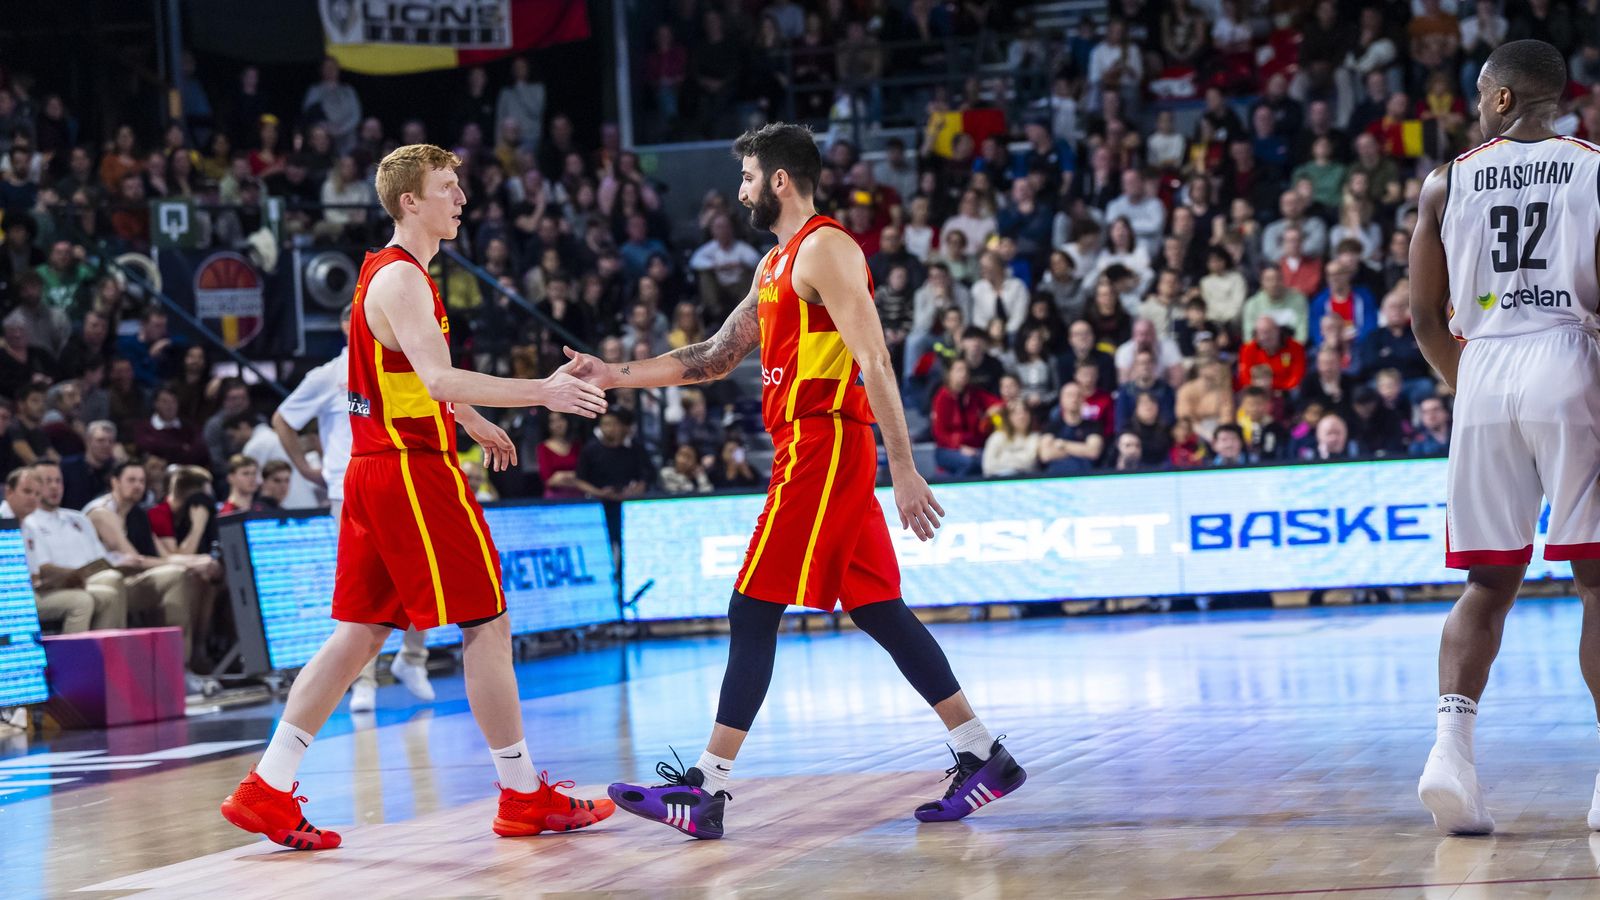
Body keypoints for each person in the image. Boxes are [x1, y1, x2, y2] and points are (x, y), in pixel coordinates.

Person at [561, 123, 1025, 839]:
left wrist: (904, 467)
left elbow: (875, 360)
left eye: (747, 177)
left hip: (823, 441)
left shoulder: (826, 248)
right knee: (878, 608)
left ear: (779, 180)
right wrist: (613, 374)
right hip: (810, 444)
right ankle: (982, 752)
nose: (740, 190)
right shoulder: (775, 263)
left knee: (752, 608)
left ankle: (707, 788)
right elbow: (715, 355)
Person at [221, 143, 613, 851]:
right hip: (410, 470)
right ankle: (522, 794)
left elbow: (409, 377)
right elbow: (435, 379)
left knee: (361, 632)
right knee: (486, 621)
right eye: (447, 187)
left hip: (374, 469)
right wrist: (543, 391)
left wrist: (470, 416)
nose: (461, 198)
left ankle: (266, 787)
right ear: (410, 201)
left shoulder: (389, 271)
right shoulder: (402, 278)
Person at [1408, 41, 1600, 836]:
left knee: (1487, 583)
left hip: (1481, 368)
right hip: (1570, 359)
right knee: (1597, 581)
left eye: (1479, 91)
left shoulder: (1445, 180)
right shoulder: (1593, 168)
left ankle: (1450, 753)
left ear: (1501, 98)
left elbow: (1424, 317)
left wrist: (1476, 389)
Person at [272, 303, 432, 713]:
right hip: (349, 489)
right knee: (365, 587)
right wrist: (306, 468)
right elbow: (283, 419)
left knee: (420, 575)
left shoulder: (401, 362)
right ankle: (364, 681)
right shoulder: (327, 375)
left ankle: (413, 658)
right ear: (348, 324)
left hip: (399, 482)